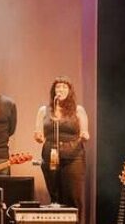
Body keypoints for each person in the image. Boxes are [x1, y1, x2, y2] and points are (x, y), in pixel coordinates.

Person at [34, 76, 90, 211]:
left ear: (70, 91)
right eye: (58, 87)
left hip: (73, 155)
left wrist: (84, 136)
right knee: (55, 196)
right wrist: (39, 137)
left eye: (64, 87)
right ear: (53, 91)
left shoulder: (78, 110)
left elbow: (85, 133)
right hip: (50, 154)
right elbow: (38, 133)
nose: (61, 89)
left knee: (73, 196)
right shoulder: (44, 110)